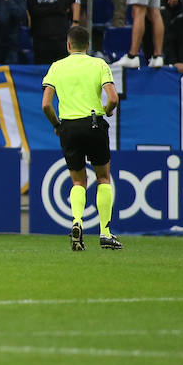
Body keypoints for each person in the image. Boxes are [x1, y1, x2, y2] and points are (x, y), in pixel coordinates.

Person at [41, 25, 122, 251]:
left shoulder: (57, 67)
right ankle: (105, 233)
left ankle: (77, 222)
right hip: (94, 123)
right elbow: (113, 98)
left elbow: (46, 104)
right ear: (88, 45)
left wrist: (57, 125)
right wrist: (107, 110)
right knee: (103, 178)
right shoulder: (99, 64)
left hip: (69, 126)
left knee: (78, 181)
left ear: (68, 45)